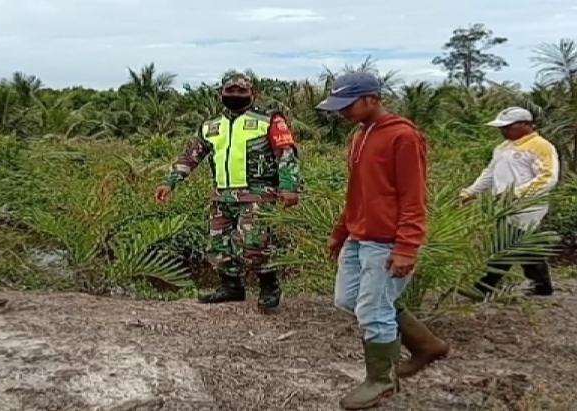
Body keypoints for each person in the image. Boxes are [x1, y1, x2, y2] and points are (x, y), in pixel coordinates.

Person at [317, 71, 450, 410]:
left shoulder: (403, 137)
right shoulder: (360, 137)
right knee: (348, 300)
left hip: (387, 241)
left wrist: (407, 247)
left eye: (348, 105)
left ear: (372, 99)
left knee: (373, 310)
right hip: (360, 236)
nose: (341, 112)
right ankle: (426, 345)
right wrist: (340, 232)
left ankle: (381, 381)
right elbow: (356, 193)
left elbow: (413, 197)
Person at [155, 74, 301, 311]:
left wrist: (289, 186)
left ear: (253, 94)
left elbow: (285, 153)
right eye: (230, 91)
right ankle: (231, 287)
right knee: (219, 244)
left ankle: (269, 286)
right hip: (222, 195)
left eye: (241, 92)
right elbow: (192, 155)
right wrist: (170, 181)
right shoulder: (211, 126)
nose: (235, 96)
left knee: (255, 244)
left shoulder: (269, 120)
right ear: (221, 93)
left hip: (257, 193)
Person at [459, 106, 560, 298]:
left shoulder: (541, 146)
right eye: (502, 127)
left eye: (508, 126)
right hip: (503, 206)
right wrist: (470, 192)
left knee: (505, 244)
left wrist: (516, 194)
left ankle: (485, 286)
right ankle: (542, 286)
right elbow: (489, 174)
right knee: (524, 245)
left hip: (528, 206)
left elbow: (548, 178)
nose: (503, 131)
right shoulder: (503, 147)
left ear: (525, 125)